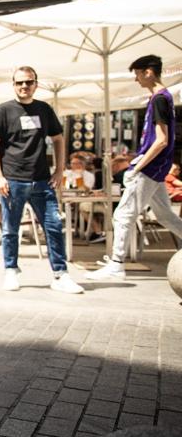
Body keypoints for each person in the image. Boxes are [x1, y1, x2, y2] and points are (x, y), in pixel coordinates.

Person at [0, 66, 83, 294]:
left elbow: (59, 138)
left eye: (28, 82)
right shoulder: (4, 110)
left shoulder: (44, 109)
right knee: (10, 229)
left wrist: (60, 171)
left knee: (54, 226)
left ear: (35, 84)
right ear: (13, 85)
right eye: (19, 82)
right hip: (12, 181)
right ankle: (11, 270)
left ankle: (60, 275)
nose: (24, 86)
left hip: (42, 181)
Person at [88, 55, 182, 281]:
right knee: (165, 215)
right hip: (156, 168)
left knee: (122, 215)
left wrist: (136, 166)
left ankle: (117, 264)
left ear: (148, 72)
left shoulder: (159, 99)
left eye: (138, 74)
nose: (137, 80)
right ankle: (116, 264)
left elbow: (161, 140)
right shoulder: (163, 98)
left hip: (150, 169)